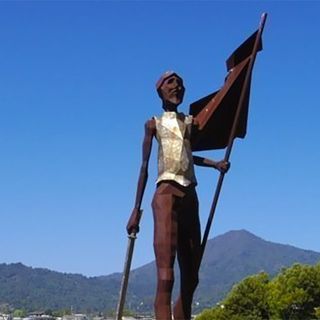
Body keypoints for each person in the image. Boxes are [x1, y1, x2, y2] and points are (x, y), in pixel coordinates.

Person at [126, 71, 229, 320]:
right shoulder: (153, 124)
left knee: (191, 275)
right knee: (166, 275)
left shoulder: (189, 122)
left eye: (180, 84)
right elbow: (144, 168)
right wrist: (136, 210)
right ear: (160, 90)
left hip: (190, 194)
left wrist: (215, 164)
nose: (177, 87)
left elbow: (186, 156)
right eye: (170, 83)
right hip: (165, 195)